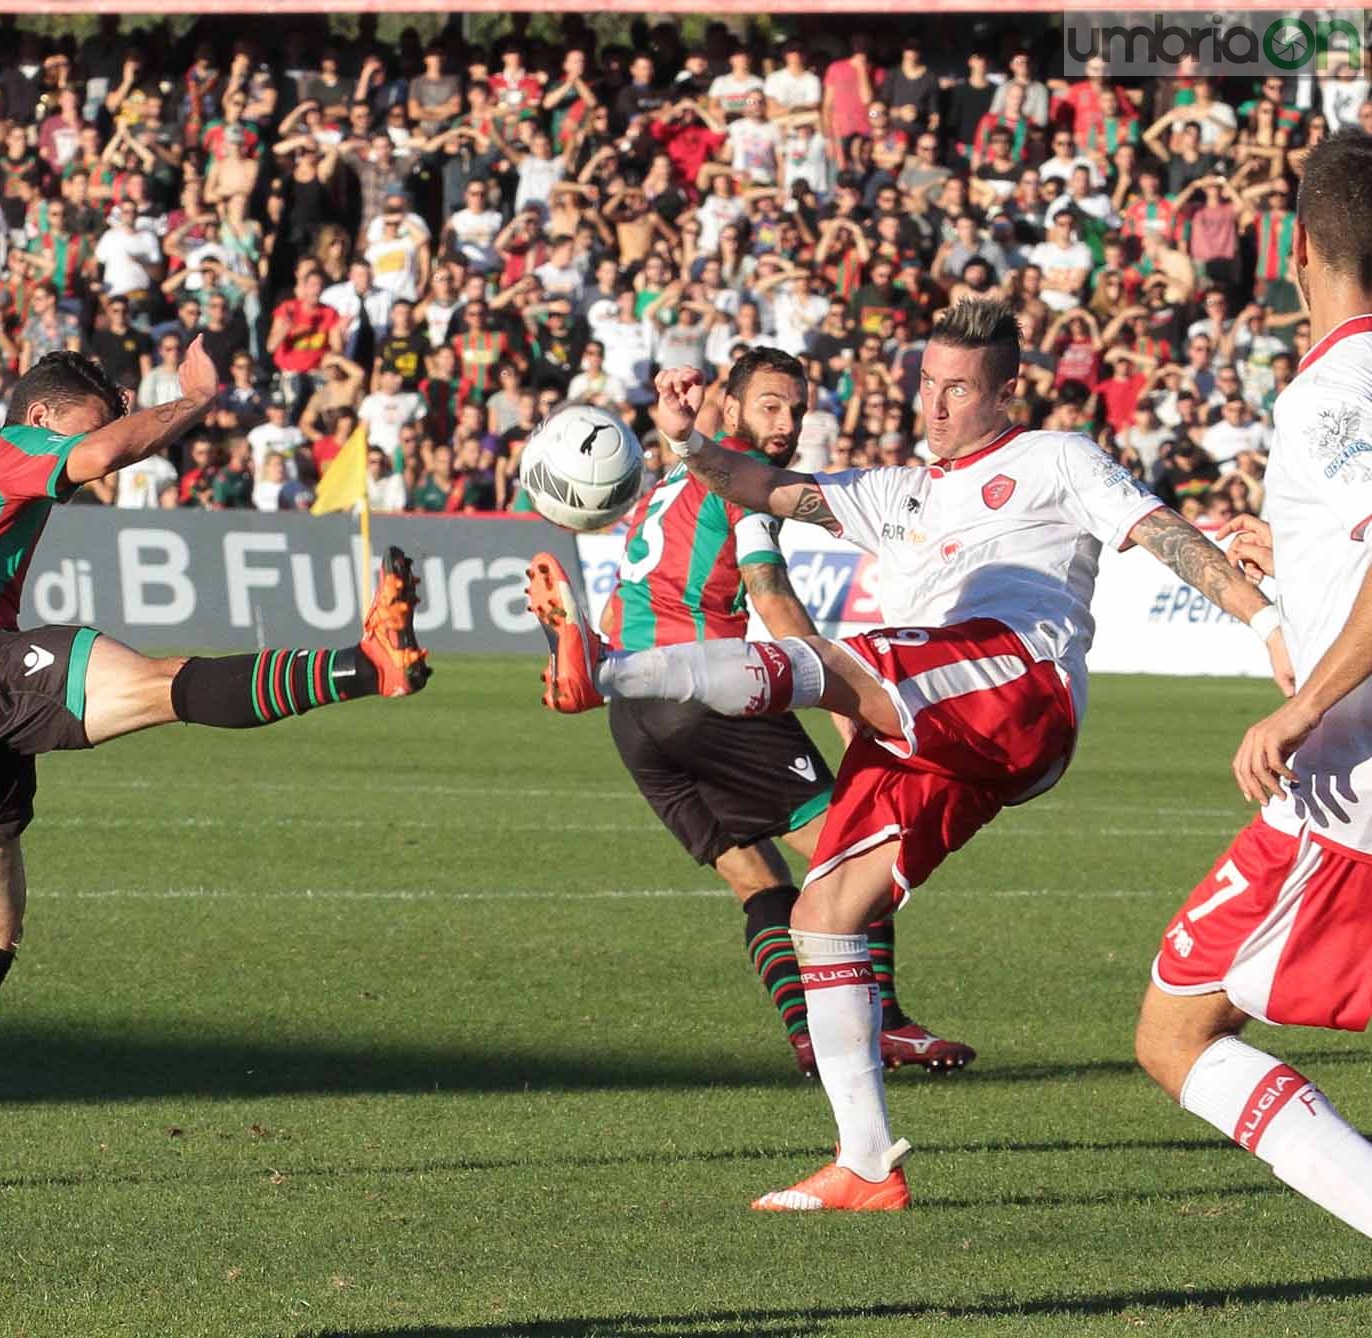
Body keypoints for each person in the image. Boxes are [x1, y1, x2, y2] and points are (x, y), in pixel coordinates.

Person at [534, 299, 1289, 1210]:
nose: (934, 406)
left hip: (1021, 681)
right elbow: (765, 487)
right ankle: (866, 1164)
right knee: (823, 913)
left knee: (854, 655)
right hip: (942, 721)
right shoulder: (901, 492)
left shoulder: (1055, 458)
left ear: (1006, 390)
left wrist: (1268, 622)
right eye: (926, 384)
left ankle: (610, 670)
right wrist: (692, 438)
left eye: (957, 389)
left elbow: (1163, 534)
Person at [0, 344, 432, 1189]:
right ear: (46, 416)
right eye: (90, 420)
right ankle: (365, 665)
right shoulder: (5, 450)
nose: (92, 448)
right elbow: (102, 454)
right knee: (160, 685)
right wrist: (194, 400)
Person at [525, 348, 974, 1079]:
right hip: (706, 693)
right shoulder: (741, 487)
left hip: (632, 713)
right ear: (729, 411)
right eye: (769, 404)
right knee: (859, 855)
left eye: (796, 409)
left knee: (759, 882)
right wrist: (843, 697)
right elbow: (769, 593)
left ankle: (808, 1035)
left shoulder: (672, 478)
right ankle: (884, 1022)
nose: (785, 422)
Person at [1136, 130, 1372, 1239]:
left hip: (1345, 791)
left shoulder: (1336, 390)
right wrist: (1304, 561)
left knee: (1176, 1033)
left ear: (1303, 244)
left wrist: (1302, 703)